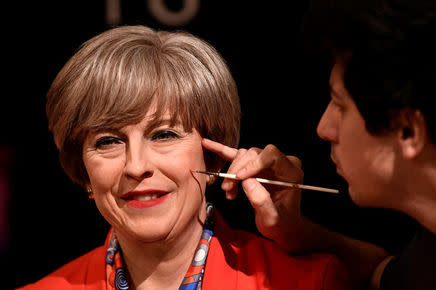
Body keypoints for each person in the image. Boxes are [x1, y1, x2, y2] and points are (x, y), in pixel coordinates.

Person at [18, 25, 350, 289]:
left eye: (164, 134)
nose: (136, 166)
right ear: (84, 171)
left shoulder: (310, 283)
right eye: (108, 141)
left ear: (213, 156)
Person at [201, 0, 436, 289]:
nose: (323, 128)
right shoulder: (435, 249)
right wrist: (294, 231)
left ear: (407, 131)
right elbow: (384, 274)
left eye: (340, 105)